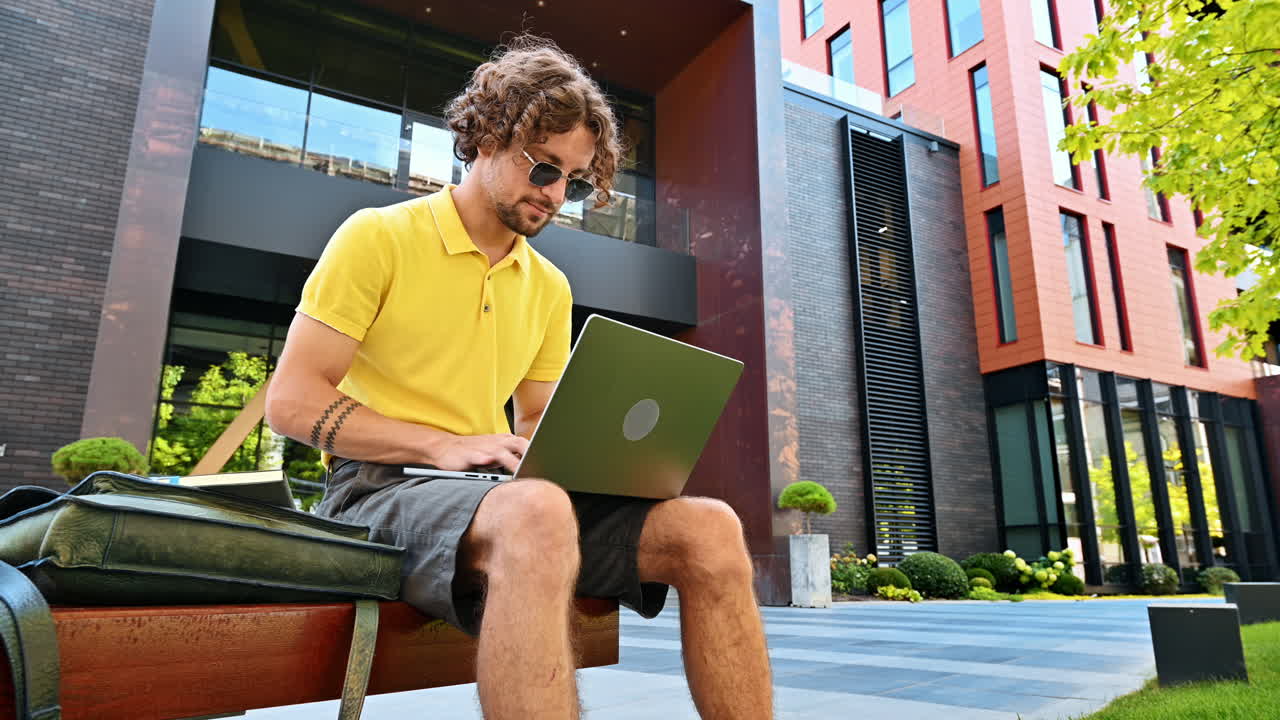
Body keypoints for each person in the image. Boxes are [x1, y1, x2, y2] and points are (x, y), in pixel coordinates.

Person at [264, 36, 772, 720]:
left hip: (498, 496)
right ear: (486, 136)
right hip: (373, 492)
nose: (557, 194)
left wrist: (609, 465)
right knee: (533, 511)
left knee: (710, 528)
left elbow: (535, 425)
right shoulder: (377, 238)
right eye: (544, 169)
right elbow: (292, 403)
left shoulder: (549, 287)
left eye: (576, 180)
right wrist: (441, 445)